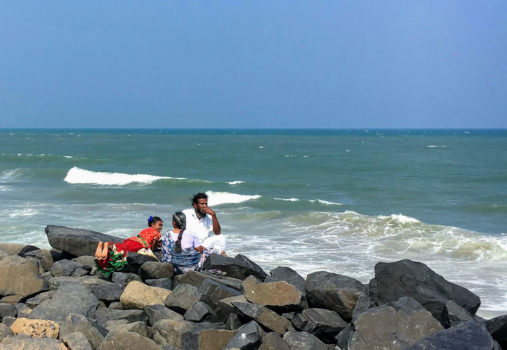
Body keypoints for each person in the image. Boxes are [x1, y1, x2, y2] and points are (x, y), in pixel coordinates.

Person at [94, 216, 163, 277]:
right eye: (159, 225)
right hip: (140, 244)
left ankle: (107, 248)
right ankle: (106, 251)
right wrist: (152, 250)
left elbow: (144, 237)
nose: (161, 227)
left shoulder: (145, 230)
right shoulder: (157, 232)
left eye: (162, 225)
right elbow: (153, 243)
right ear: (152, 225)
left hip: (133, 240)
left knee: (121, 247)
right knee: (123, 253)